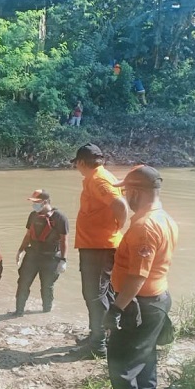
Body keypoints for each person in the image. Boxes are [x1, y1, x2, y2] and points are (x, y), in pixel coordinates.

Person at [104, 165, 178, 389]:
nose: (124, 197)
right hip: (157, 299)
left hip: (139, 305)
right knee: (145, 358)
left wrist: (116, 308)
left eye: (125, 191)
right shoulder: (165, 218)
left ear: (135, 192)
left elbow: (137, 276)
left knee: (121, 366)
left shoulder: (145, 227)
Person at [71, 144, 128, 359]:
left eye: (76, 164)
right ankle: (103, 335)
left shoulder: (98, 179)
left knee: (94, 295)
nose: (76, 167)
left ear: (81, 162)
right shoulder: (100, 177)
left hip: (99, 247)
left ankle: (98, 344)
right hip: (97, 246)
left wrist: (118, 226)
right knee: (103, 293)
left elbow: (120, 205)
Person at [13, 189, 69, 316]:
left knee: (47, 286)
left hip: (51, 258)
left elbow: (64, 240)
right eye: (33, 202)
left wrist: (63, 260)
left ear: (45, 202)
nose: (34, 205)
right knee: (23, 282)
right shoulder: (33, 215)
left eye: (37, 202)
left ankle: (46, 312)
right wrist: (20, 250)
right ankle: (18, 311)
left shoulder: (60, 217)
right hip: (32, 255)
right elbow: (28, 235)